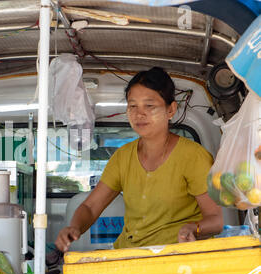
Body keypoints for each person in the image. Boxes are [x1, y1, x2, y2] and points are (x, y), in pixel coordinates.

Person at [55, 67, 223, 252]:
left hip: (178, 259)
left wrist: (194, 228)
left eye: (149, 106)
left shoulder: (193, 157)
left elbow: (216, 219)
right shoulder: (122, 157)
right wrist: (74, 227)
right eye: (132, 106)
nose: (139, 114)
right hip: (131, 257)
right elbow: (90, 206)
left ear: (171, 110)